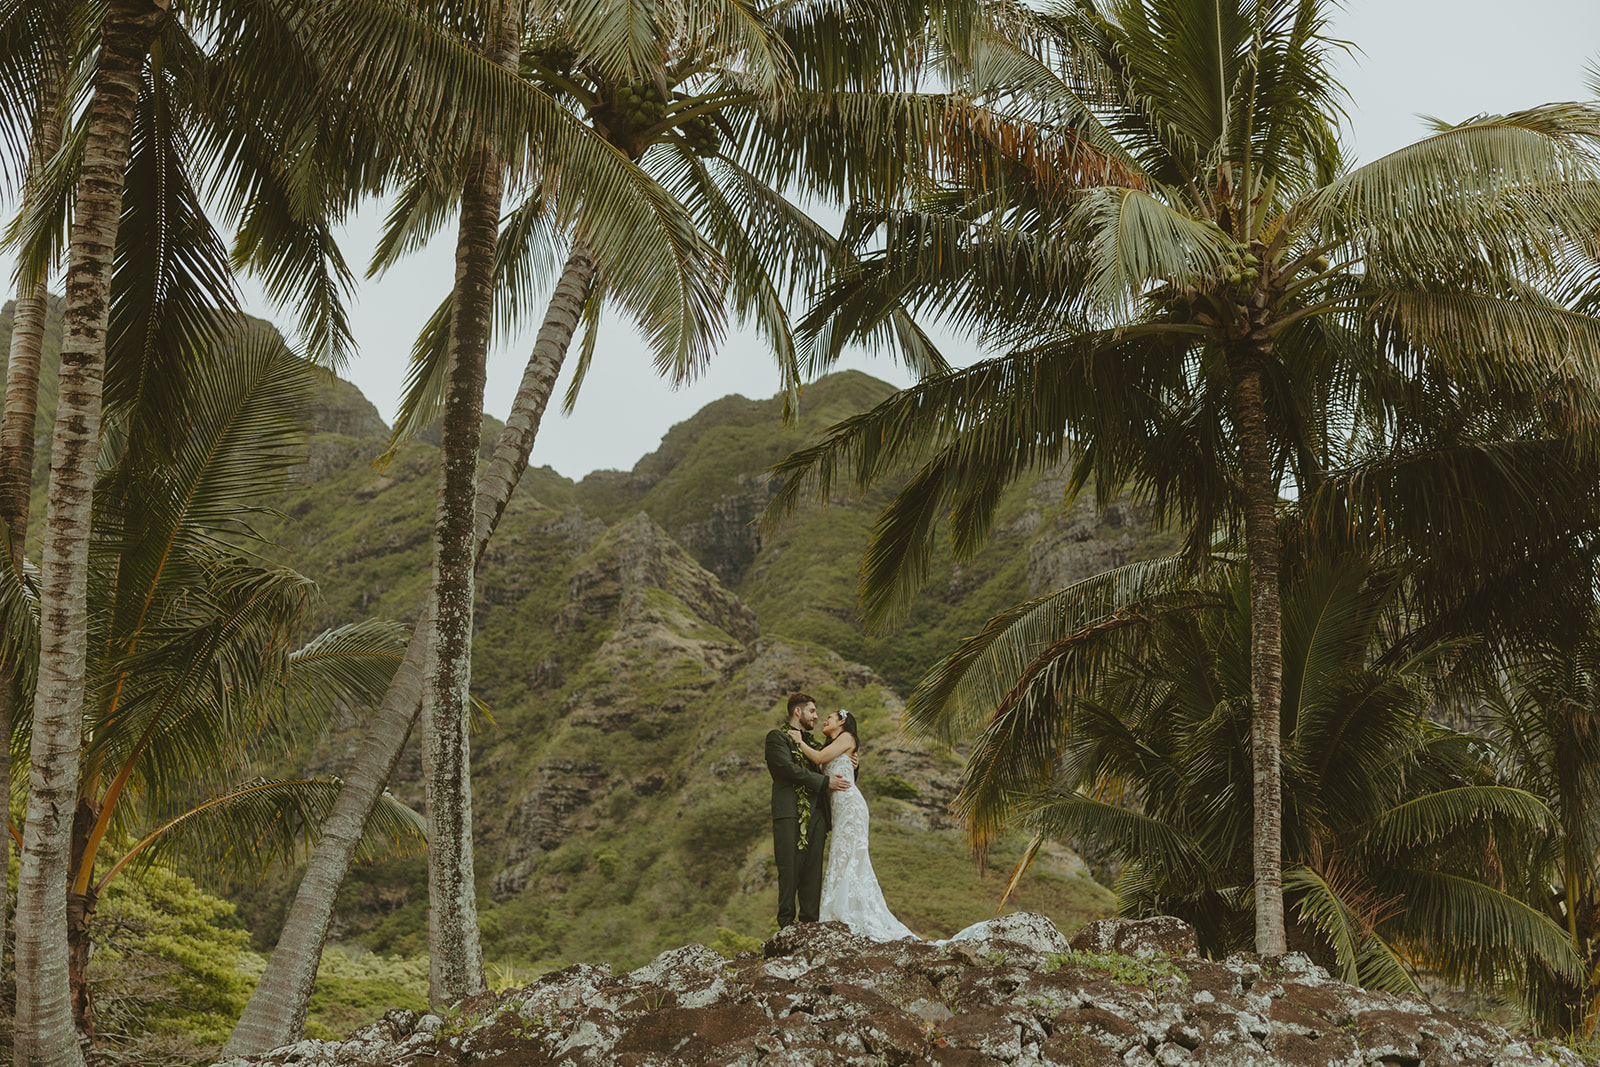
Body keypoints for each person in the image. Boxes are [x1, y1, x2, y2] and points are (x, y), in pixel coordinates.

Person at [790, 708, 917, 940]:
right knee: (842, 856)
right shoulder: (834, 745)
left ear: (842, 722)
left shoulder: (847, 738)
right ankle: (842, 910)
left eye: (829, 717)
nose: (824, 721)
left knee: (849, 856)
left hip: (850, 806)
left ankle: (848, 912)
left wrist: (798, 741)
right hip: (839, 810)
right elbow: (825, 764)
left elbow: (817, 759)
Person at [765, 692, 851, 928]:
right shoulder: (777, 738)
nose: (816, 716)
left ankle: (810, 926)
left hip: (818, 816)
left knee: (813, 873)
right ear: (797, 711)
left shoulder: (813, 746)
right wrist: (824, 782)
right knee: (789, 868)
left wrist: (852, 763)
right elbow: (787, 768)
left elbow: (836, 774)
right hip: (790, 813)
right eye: (812, 711)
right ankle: (786, 926)